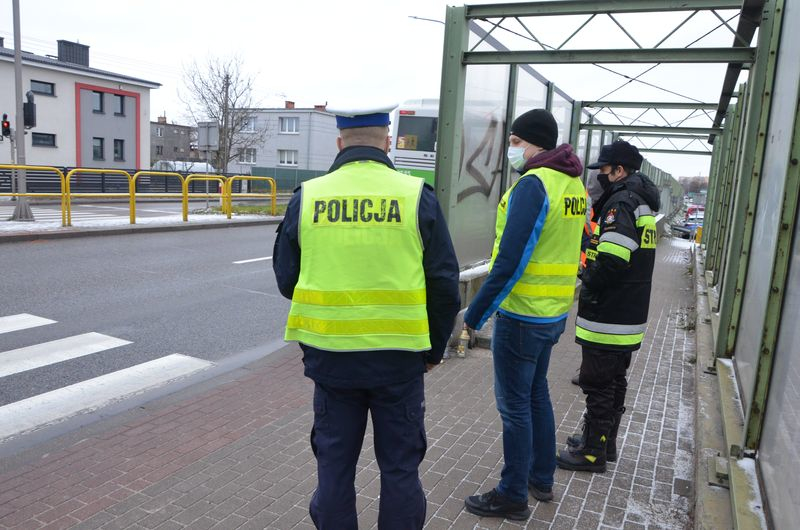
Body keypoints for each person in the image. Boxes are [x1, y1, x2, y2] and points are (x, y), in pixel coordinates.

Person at [273, 102, 461, 530]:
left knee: (334, 469)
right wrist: (432, 351)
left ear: (340, 143)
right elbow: (445, 287)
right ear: (388, 142)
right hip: (400, 361)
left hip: (332, 362)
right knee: (399, 469)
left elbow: (287, 279)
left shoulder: (310, 196)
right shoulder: (416, 195)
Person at [462, 109, 586, 521]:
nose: (512, 149)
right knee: (536, 396)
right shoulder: (573, 184)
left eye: (516, 142)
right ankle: (541, 478)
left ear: (534, 143)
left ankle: (512, 494)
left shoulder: (534, 185)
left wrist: (475, 313)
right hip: (552, 314)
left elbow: (510, 260)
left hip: (522, 316)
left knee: (514, 407)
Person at [557, 140, 660, 473]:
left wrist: (587, 275)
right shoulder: (642, 202)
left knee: (597, 382)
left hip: (610, 311)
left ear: (619, 170)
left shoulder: (622, 203)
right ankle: (604, 441)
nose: (600, 177)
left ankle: (592, 452)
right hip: (629, 312)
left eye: (603, 170)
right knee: (614, 380)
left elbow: (613, 260)